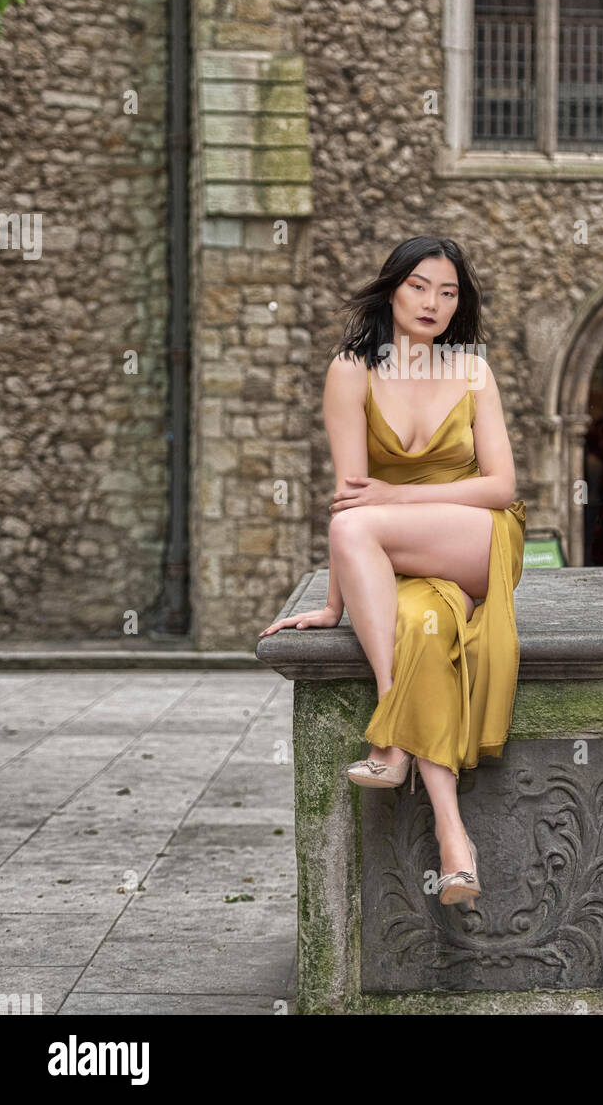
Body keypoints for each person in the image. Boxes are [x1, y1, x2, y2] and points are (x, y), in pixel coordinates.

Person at [259, 235, 527, 908]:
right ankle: (454, 841)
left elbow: (499, 486)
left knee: (358, 523)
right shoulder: (350, 372)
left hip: (478, 539)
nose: (433, 302)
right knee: (420, 625)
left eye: (448, 291)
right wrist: (334, 604)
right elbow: (350, 497)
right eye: (418, 286)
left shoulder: (472, 372)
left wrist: (397, 498)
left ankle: (388, 730)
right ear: (392, 289)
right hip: (396, 555)